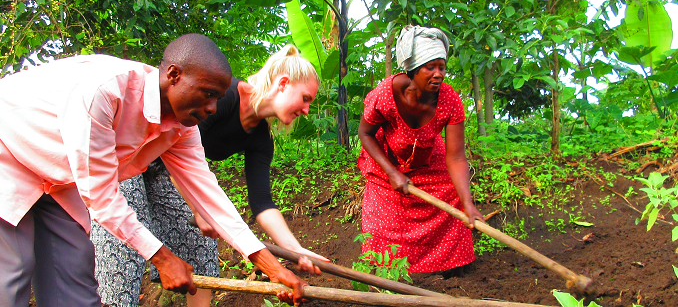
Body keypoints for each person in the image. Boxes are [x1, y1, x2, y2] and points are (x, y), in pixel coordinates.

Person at [0, 34, 306, 307]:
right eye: (207, 93)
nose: (213, 107)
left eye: (216, 97)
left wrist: (271, 266)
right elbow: (101, 195)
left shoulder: (183, 128)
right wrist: (162, 258)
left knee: (73, 278)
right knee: (12, 271)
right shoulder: (105, 92)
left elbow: (208, 194)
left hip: (57, 180)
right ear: (173, 75)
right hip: (9, 153)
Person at [92, 44, 326, 307]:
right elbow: (183, 158)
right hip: (133, 153)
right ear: (283, 84)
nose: (306, 110)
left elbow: (261, 203)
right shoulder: (222, 98)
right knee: (124, 248)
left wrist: (295, 250)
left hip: (171, 170)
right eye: (306, 98)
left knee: (200, 248)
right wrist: (198, 208)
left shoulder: (260, 138)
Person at [357, 25, 484, 274]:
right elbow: (365, 134)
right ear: (412, 69)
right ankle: (388, 268)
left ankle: (445, 264)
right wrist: (392, 173)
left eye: (442, 67)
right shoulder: (384, 94)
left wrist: (468, 204)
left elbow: (457, 157)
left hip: (427, 158)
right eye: (430, 67)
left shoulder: (450, 100)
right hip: (387, 159)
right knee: (385, 209)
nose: (438, 74)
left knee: (452, 192)